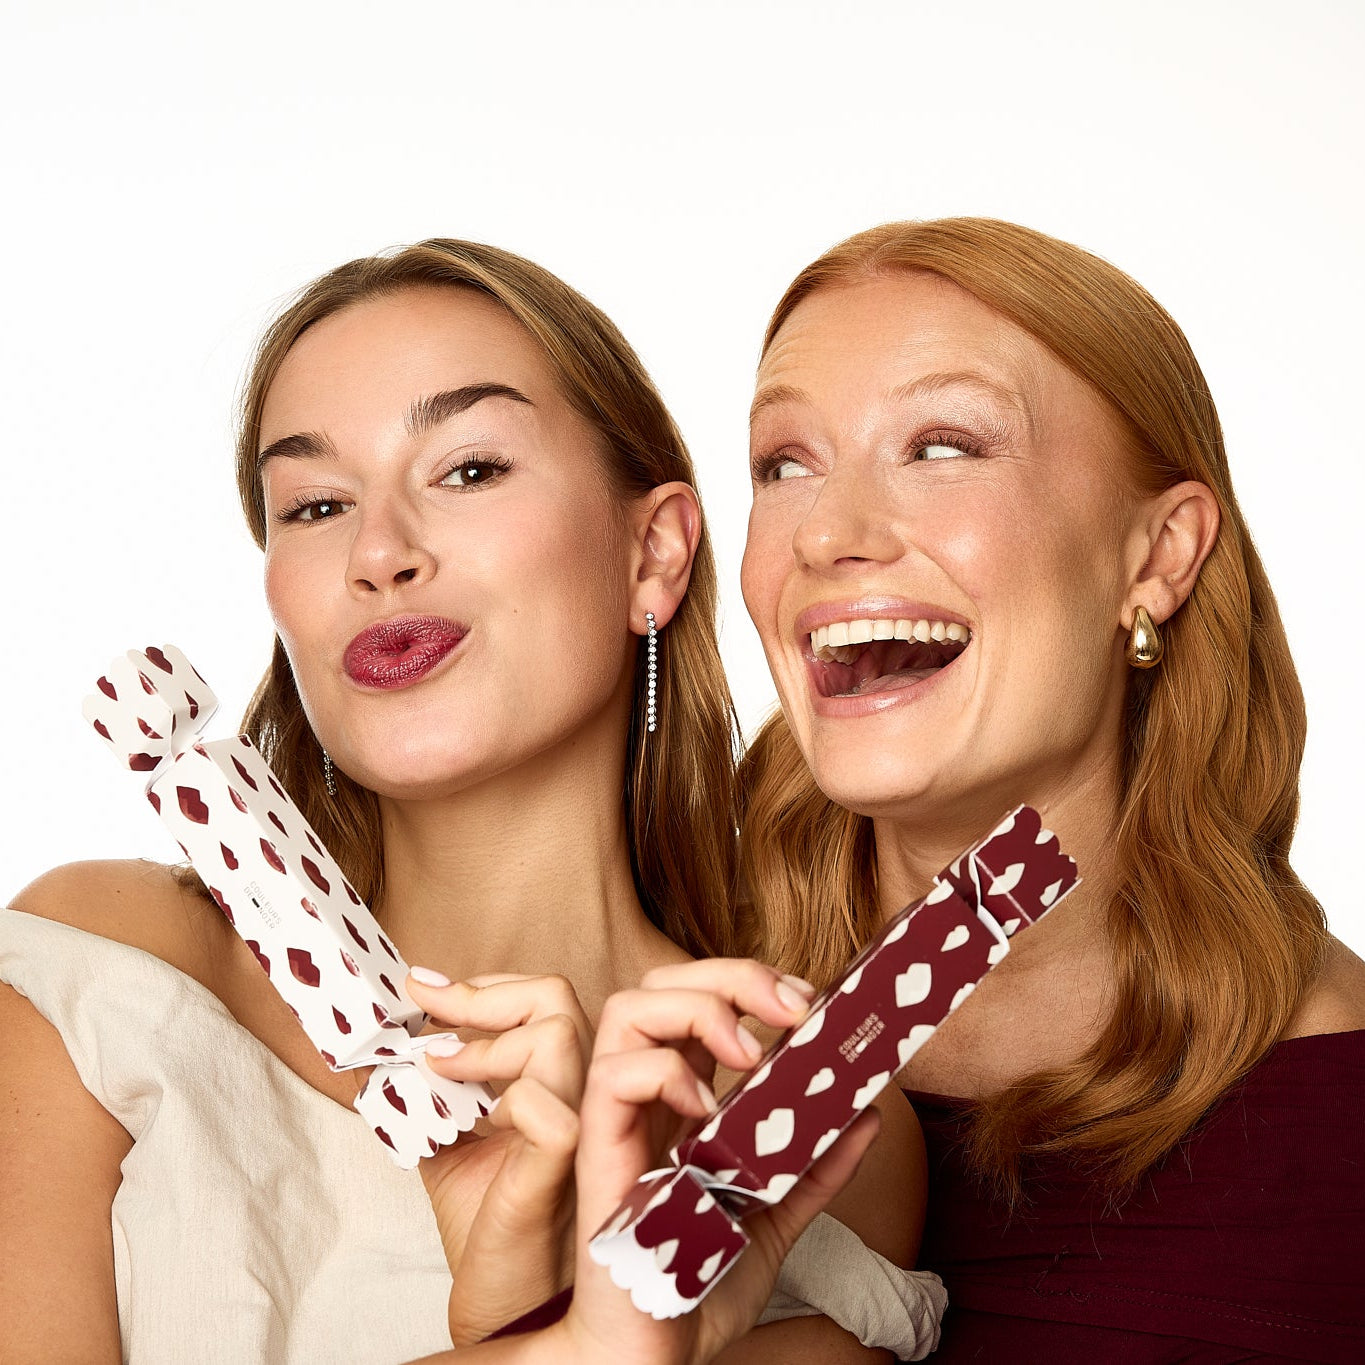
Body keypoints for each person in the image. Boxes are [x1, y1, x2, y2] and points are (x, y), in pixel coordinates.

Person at [0, 241, 931, 1362]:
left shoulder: (801, 1121)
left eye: (469, 470)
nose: (378, 553)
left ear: (653, 553)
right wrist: (577, 1346)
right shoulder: (103, 968)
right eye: (314, 504)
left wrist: (531, 1321)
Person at [737, 217, 1365, 1362]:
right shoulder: (654, 1012)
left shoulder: (1341, 1126)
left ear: (1159, 556)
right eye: (784, 463)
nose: (826, 534)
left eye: (943, 446)